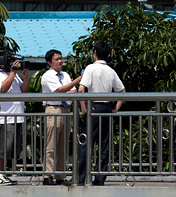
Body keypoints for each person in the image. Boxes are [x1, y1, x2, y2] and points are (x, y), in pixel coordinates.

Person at [78, 41, 125, 186]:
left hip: (94, 107)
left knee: (85, 142)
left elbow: (81, 89)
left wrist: (83, 107)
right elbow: (122, 91)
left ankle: (81, 177)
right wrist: (115, 109)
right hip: (107, 108)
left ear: (95, 53)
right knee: (104, 144)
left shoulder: (90, 68)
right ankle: (100, 178)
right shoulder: (111, 71)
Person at [41, 49, 82, 186]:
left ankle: (60, 175)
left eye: (60, 58)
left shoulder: (65, 75)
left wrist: (67, 89)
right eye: (56, 59)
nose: (60, 61)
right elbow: (59, 90)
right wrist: (75, 82)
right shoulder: (47, 76)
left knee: (64, 145)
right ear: (49, 62)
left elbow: (73, 92)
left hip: (66, 110)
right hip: (53, 109)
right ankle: (48, 175)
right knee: (51, 144)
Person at [0, 56, 30, 185]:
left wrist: (26, 77)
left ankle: (2, 174)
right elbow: (3, 89)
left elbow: (23, 89)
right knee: (0, 148)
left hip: (15, 117)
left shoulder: (13, 74)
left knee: (7, 149)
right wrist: (13, 72)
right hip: (2, 117)